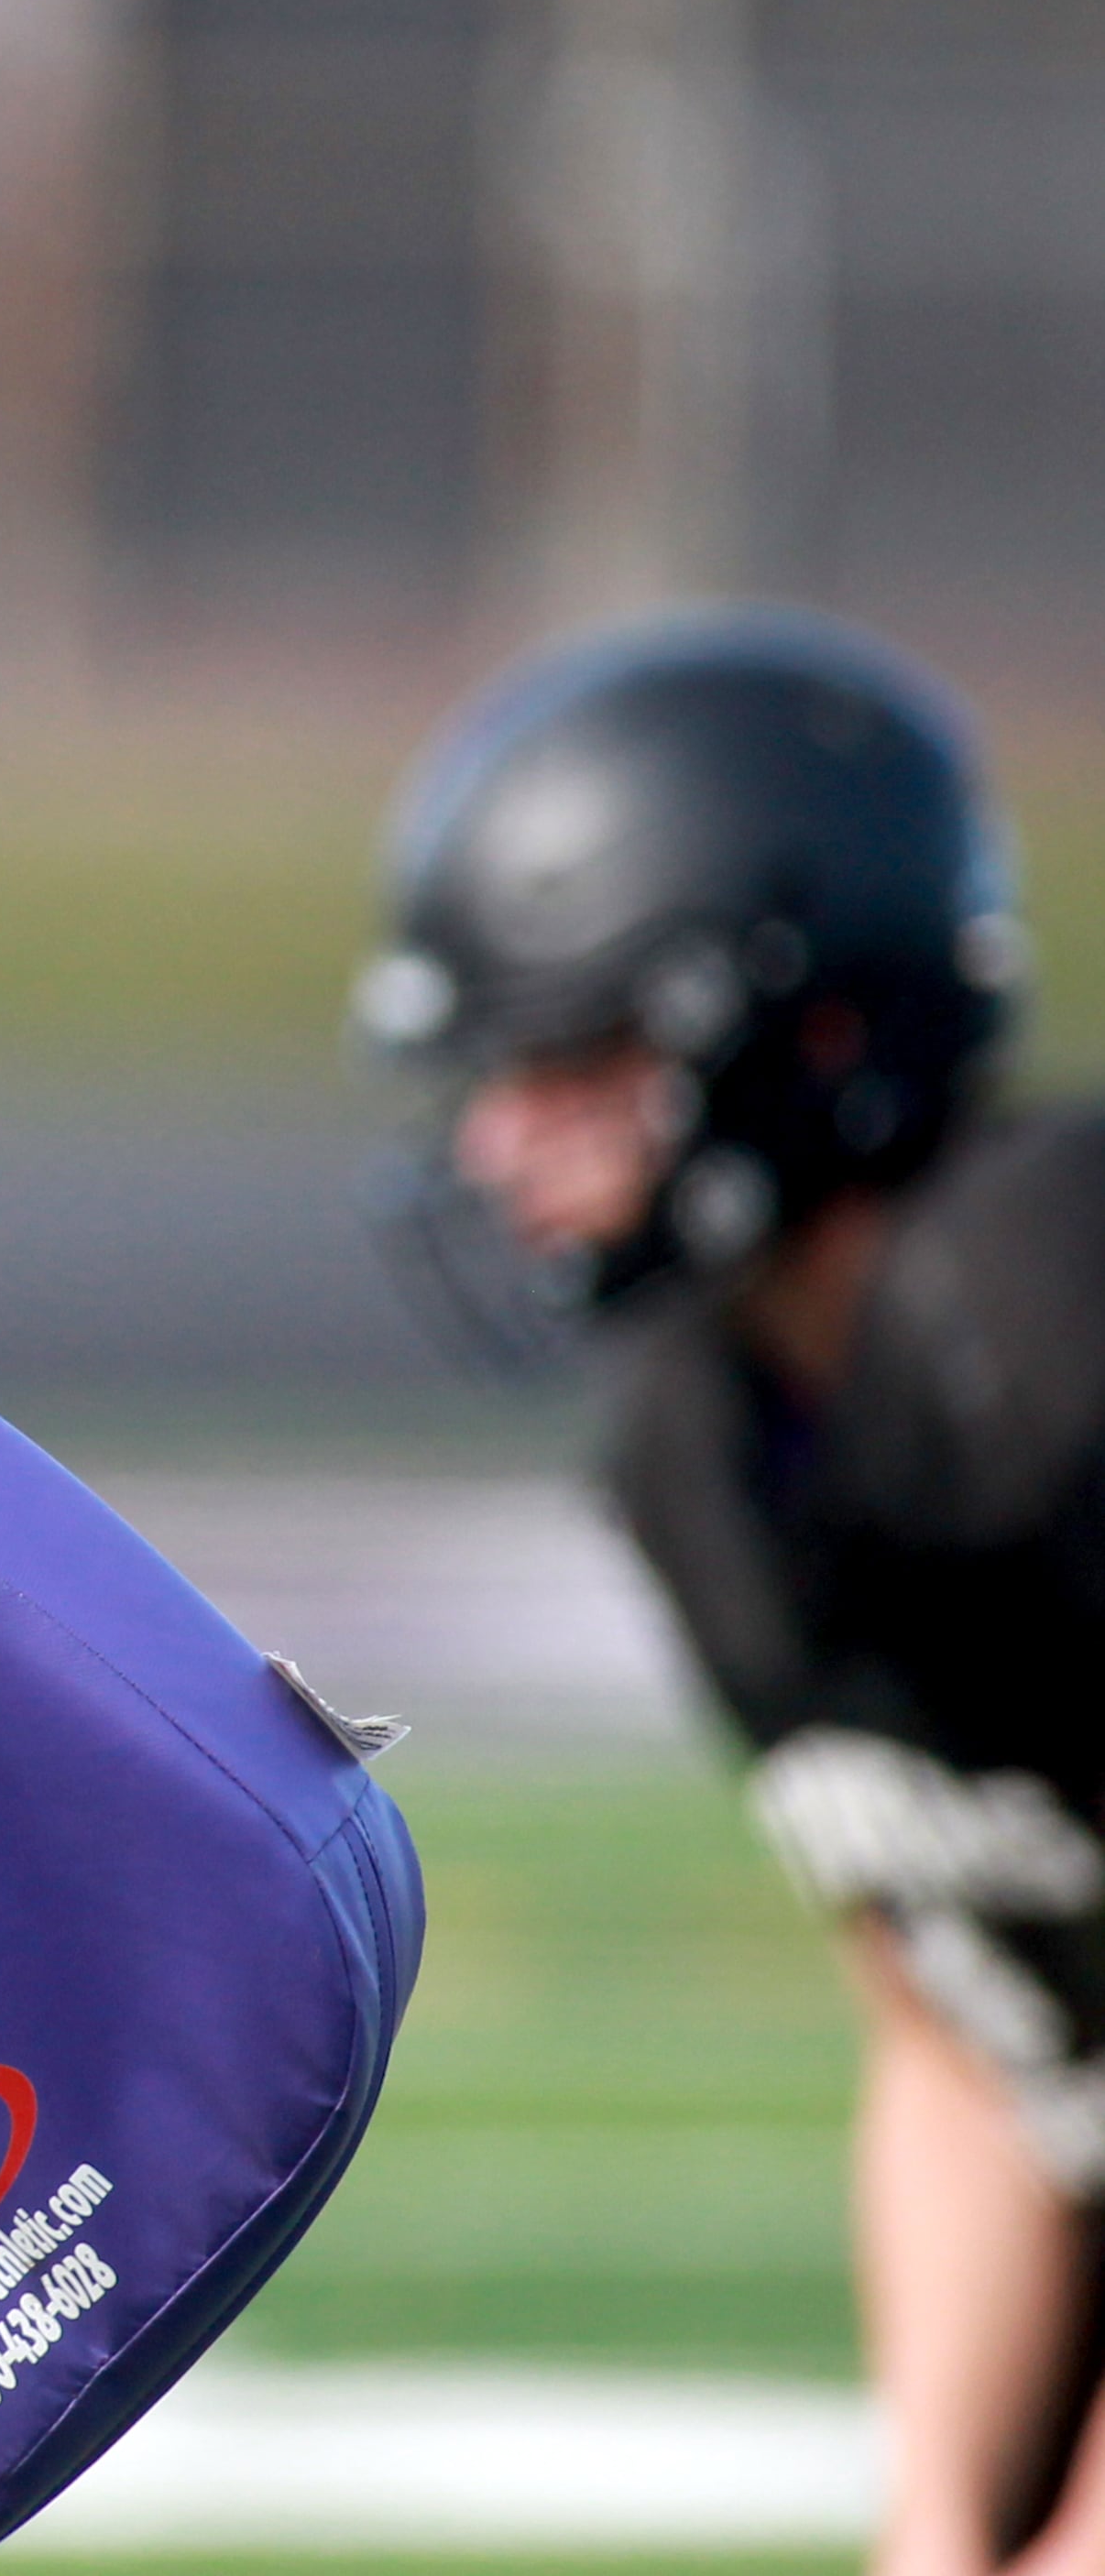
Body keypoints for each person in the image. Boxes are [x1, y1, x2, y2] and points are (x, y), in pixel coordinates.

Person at [356, 606, 1105, 2576]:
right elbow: (956, 2031)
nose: (504, 1140)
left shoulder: (1054, 1322)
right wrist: (941, 2514)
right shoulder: (707, 1447)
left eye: (576, 1057)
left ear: (810, 1026)